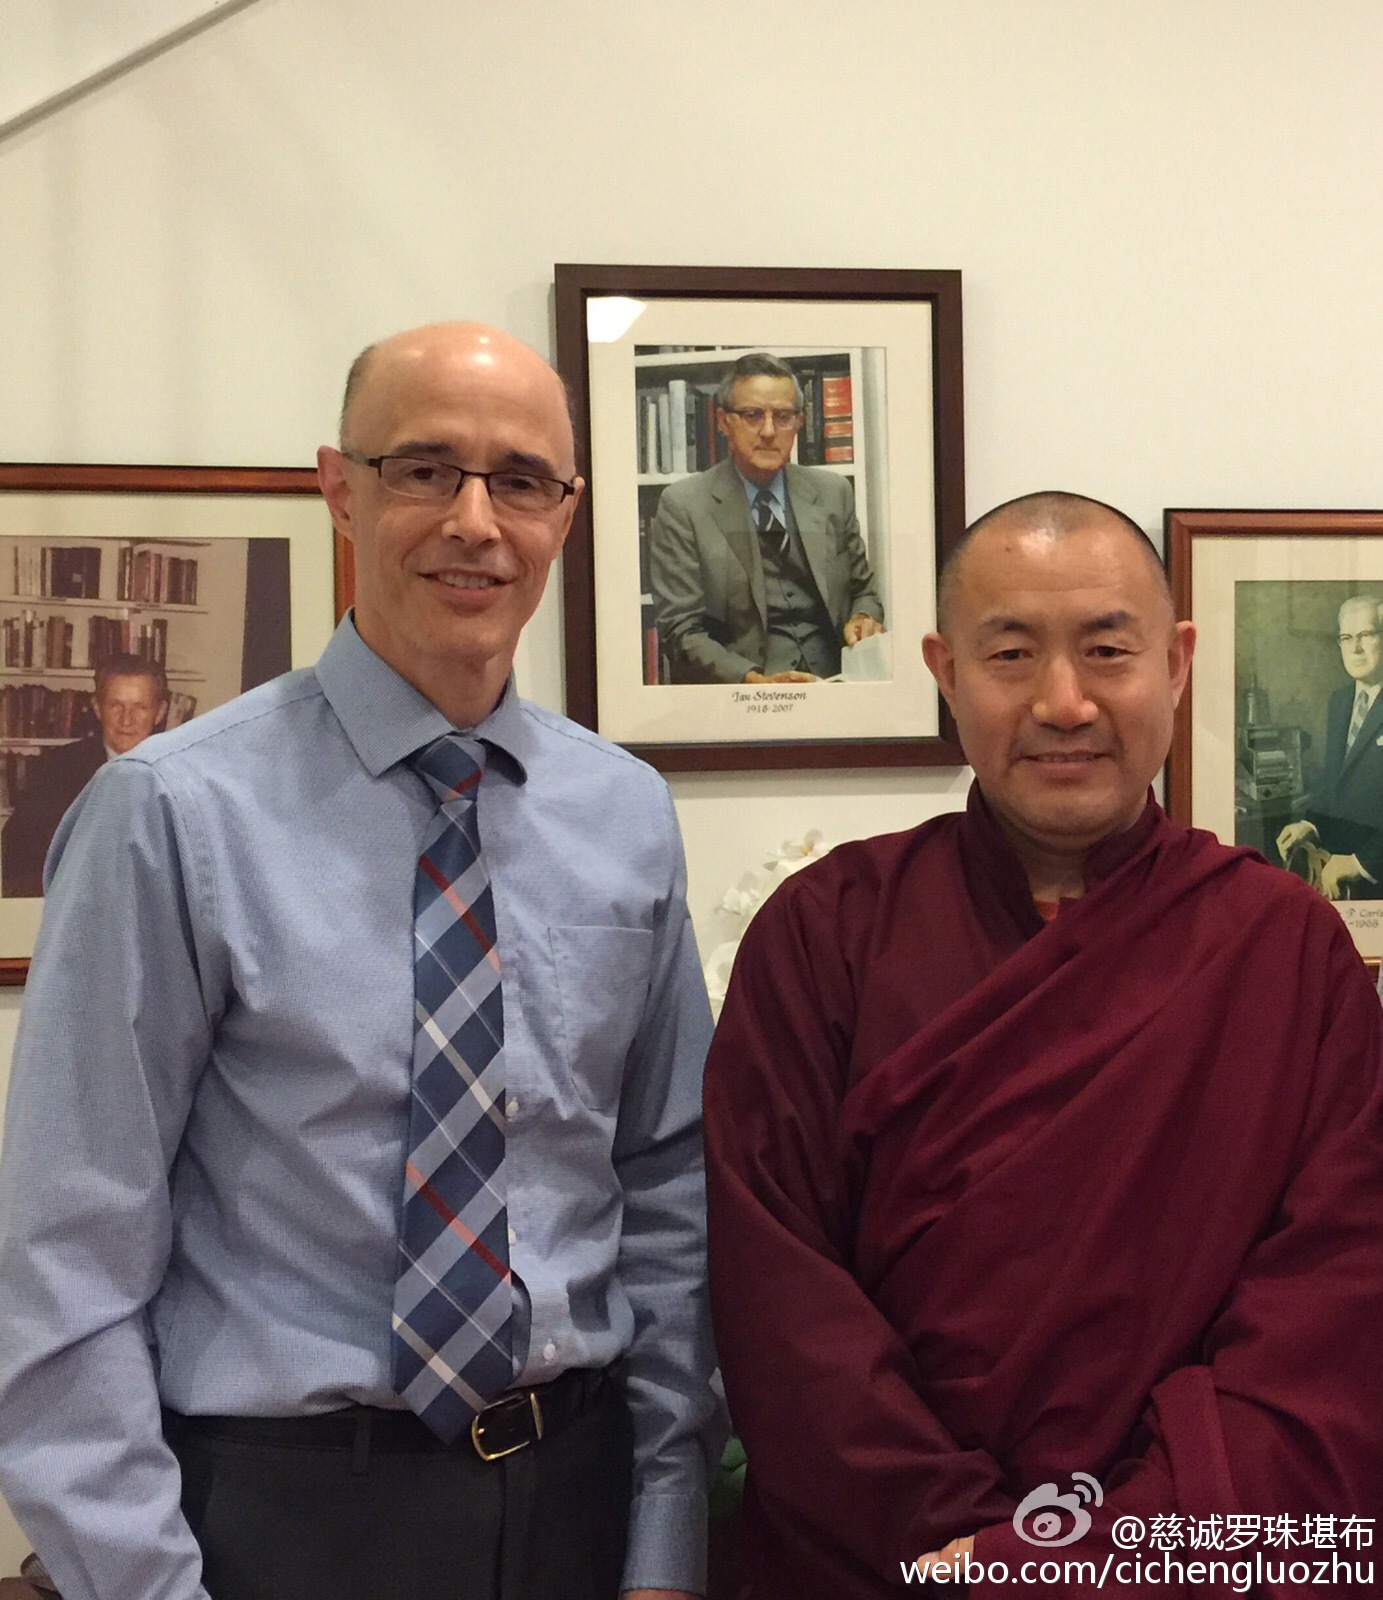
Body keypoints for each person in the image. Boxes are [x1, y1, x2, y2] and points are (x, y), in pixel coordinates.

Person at [0, 323, 721, 1600]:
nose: (475, 522)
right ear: (340, 488)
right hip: (280, 1519)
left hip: (576, 1496)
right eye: (425, 469)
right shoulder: (170, 814)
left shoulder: (625, 813)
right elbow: (65, 1253)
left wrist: (666, 1532)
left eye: (520, 480)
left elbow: (667, 1186)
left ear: (566, 514)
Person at [704, 492, 1383, 1598]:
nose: (1064, 702)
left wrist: (1099, 1562)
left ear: (1177, 663)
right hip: (888, 1563)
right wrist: (969, 1557)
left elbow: (1331, 1309)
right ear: (945, 671)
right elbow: (777, 1304)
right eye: (1011, 653)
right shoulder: (828, 933)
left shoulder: (1286, 949)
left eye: (1107, 650)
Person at [649, 353, 884, 684]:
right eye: (752, 415)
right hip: (740, 696)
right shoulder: (683, 506)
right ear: (723, 422)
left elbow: (864, 592)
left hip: (834, 686)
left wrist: (862, 617)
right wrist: (752, 682)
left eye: (783, 416)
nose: (769, 431)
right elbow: (680, 629)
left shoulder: (833, 493)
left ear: (799, 422)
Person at [0, 652, 169, 897]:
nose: (126, 720)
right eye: (115, 705)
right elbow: (18, 848)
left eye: (140, 707)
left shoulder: (181, 775)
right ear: (97, 708)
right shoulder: (58, 769)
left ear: (160, 712)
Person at [1275, 594, 1383, 900]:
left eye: (1366, 635)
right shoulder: (1340, 701)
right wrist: (1311, 824)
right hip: (1337, 871)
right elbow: (1333, 781)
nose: (1355, 648)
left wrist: (1360, 863)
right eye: (1347, 638)